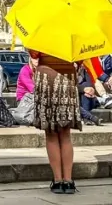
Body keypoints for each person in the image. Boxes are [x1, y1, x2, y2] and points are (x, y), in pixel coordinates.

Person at [32, 51, 81, 195]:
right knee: (65, 133)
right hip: (67, 75)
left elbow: (34, 54)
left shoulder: (42, 30)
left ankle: (58, 181)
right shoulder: (75, 30)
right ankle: (68, 181)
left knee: (51, 132)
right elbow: (81, 58)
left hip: (46, 76)